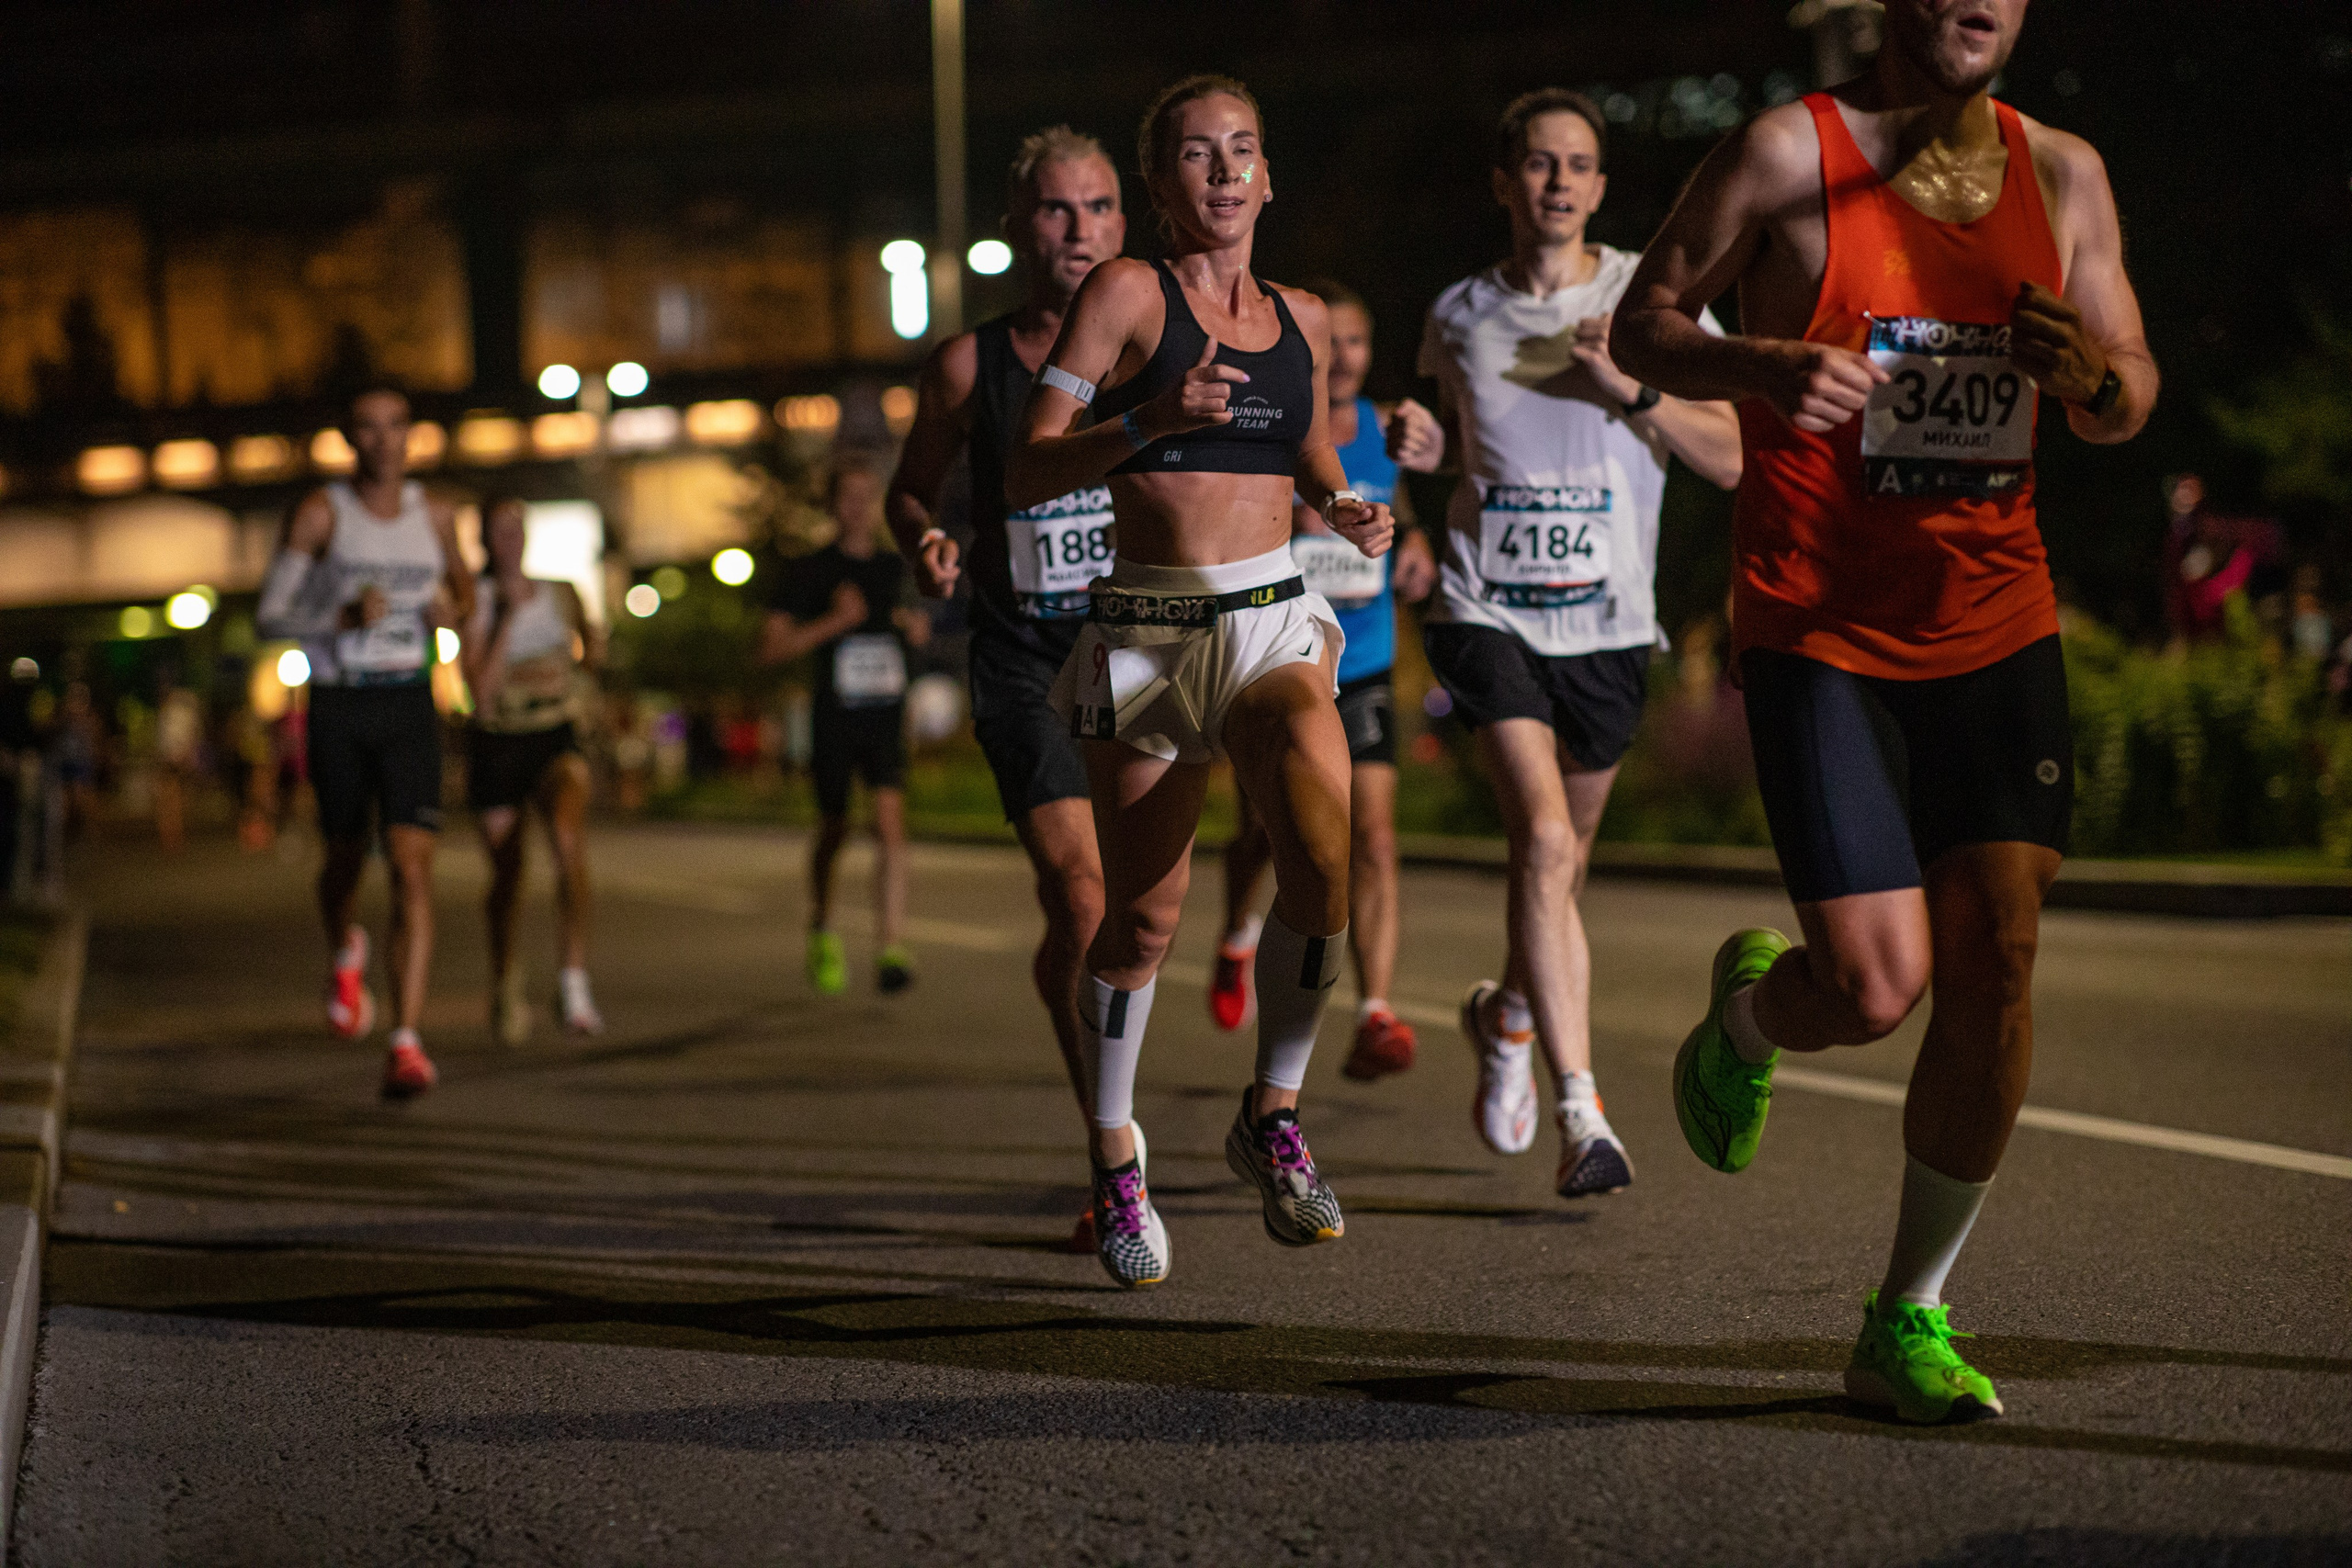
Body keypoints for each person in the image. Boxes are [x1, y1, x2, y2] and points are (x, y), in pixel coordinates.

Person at [1611, 0, 2156, 1423]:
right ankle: (1748, 1015)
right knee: (1873, 987)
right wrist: (1761, 364)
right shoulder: (1784, 156)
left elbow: (2130, 383)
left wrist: (2089, 379)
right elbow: (1645, 323)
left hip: (1995, 615)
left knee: (2003, 957)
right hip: (1821, 621)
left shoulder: (2068, 175)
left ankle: (1906, 1312)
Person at [1011, 75, 1396, 1289]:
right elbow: (1025, 471)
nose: (1224, 170)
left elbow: (1305, 438)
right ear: (1161, 184)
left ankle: (1272, 1112)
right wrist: (1150, 420)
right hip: (1151, 629)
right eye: (1195, 152)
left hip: (1274, 615)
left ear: (1268, 178)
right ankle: (1116, 1148)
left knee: (1325, 854)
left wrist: (1342, 498)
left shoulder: (1308, 315)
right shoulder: (1129, 294)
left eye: (1243, 150)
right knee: (1140, 923)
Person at [1405, 88, 1742, 1197]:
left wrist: (1631, 388)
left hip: (1606, 628)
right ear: (1505, 184)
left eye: (1579, 166)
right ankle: (1580, 1111)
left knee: (1561, 867)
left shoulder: (1649, 299)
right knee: (1545, 848)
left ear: (1600, 187)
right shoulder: (1456, 311)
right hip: (1484, 610)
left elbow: (1734, 456)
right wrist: (1423, 449)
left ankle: (1506, 1016)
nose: (1558, 183)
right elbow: (1459, 451)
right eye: (1538, 164)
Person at [887, 125, 1125, 1251]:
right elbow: (907, 494)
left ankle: (1066, 976)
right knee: (1082, 899)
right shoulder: (967, 366)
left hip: (1138, 649)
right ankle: (1110, 1155)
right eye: (1055, 209)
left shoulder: (1149, 350)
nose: (1078, 231)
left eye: (1097, 208)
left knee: (1125, 911)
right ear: (1014, 227)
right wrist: (928, 538)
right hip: (1023, 654)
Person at [1207, 277, 1440, 1080]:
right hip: (1277, 659)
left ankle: (1375, 1011)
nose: (1343, 357)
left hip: (1364, 658)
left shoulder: (1381, 429)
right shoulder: (1276, 425)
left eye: (1357, 342)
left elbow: (1402, 515)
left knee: (1373, 836)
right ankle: (1236, 935)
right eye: (1327, 342)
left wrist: (1414, 546)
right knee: (1267, 833)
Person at [256, 386, 475, 1099]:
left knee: (413, 867)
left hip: (410, 699)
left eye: (395, 427)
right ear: (350, 440)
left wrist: (453, 608)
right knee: (345, 857)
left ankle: (406, 1041)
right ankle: (345, 943)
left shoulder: (436, 514)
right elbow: (269, 616)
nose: (382, 440)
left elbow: (468, 594)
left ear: (412, 437)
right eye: (367, 428)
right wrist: (337, 612)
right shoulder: (323, 513)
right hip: (341, 704)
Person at [762, 456, 931, 995]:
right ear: (831, 505)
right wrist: (834, 623)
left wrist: (915, 632)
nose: (856, 506)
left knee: (888, 824)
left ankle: (891, 947)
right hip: (834, 717)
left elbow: (909, 632)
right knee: (835, 827)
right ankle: (822, 925)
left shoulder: (893, 569)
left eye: (866, 495)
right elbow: (772, 648)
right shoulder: (809, 570)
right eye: (846, 496)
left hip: (884, 715)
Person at [459, 494, 605, 1045]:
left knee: (568, 843)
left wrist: (580, 670)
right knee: (507, 873)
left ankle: (573, 979)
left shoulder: (562, 591)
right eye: (498, 531)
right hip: (498, 745)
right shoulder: (476, 598)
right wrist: (507, 624)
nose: (509, 540)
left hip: (554, 736)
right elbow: (479, 690)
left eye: (517, 529)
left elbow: (591, 659)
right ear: (485, 541)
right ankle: (505, 978)